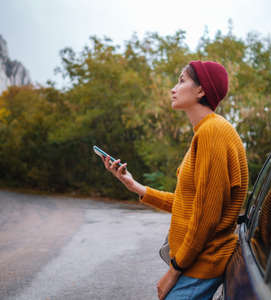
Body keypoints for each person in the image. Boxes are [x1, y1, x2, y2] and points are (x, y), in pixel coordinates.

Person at [101, 60, 249, 300]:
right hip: (195, 265)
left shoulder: (213, 133)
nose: (173, 88)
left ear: (201, 91)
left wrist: (174, 271)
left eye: (181, 81)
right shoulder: (206, 132)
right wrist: (134, 185)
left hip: (200, 266)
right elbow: (188, 203)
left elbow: (206, 217)